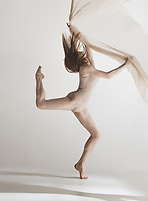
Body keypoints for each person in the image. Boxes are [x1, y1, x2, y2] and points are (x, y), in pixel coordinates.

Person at [35, 32, 131, 179]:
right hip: (75, 101)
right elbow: (108, 76)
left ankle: (81, 164)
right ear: (78, 59)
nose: (82, 52)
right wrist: (126, 65)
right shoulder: (86, 68)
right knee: (41, 104)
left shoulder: (88, 63)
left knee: (96, 135)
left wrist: (77, 31)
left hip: (81, 106)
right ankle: (38, 78)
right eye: (79, 53)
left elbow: (87, 46)